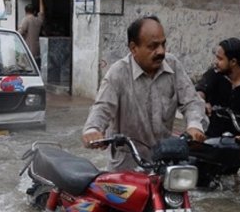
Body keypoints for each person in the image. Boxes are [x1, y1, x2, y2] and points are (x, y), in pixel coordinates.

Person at [82, 15, 208, 171]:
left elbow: (191, 101)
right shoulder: (118, 73)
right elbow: (102, 107)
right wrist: (93, 130)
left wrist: (194, 125)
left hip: (165, 161)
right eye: (153, 46)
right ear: (134, 48)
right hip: (128, 164)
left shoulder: (173, 65)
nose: (161, 51)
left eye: (163, 44)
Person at [196, 37, 240, 137]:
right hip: (211, 135)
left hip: (239, 138)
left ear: (233, 62)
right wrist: (202, 102)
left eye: (220, 59)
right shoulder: (214, 74)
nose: (215, 62)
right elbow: (201, 91)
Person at [18, 0, 45, 67]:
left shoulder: (26, 19)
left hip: (27, 51)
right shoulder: (38, 20)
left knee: (27, 70)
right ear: (34, 12)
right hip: (36, 51)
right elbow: (42, 12)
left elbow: (20, 32)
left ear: (25, 11)